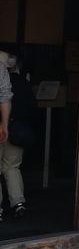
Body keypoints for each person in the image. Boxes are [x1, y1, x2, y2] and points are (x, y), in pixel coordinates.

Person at [0, 51, 25, 220]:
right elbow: (5, 97)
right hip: (15, 129)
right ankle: (18, 202)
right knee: (12, 166)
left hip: (7, 127)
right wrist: (5, 125)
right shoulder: (22, 82)